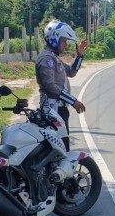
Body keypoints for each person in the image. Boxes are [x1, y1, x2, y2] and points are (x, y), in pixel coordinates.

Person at [35, 20, 88, 150]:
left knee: (62, 148)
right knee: (59, 150)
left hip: (59, 110)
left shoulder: (54, 58)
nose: (65, 45)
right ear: (55, 39)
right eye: (63, 41)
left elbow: (71, 72)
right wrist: (73, 101)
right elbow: (51, 87)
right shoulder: (46, 59)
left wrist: (79, 56)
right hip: (52, 110)